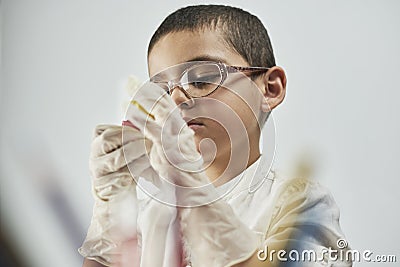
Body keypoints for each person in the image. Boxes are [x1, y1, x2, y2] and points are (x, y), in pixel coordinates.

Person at [79, 4, 351, 267]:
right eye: (161, 91)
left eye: (200, 80)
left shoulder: (297, 202)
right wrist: (110, 212)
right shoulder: (147, 209)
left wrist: (197, 196)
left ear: (269, 89)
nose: (175, 100)